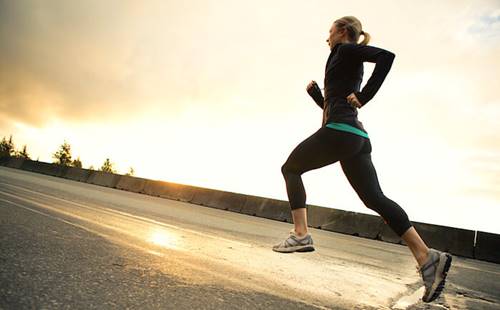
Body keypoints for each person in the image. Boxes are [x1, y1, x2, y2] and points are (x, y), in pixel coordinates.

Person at [272, 16, 452, 303]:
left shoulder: (344, 50)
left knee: (291, 168)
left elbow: (386, 57)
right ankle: (427, 257)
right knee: (375, 198)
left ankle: (301, 234)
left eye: (329, 32)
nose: (326, 38)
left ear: (342, 31)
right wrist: (319, 97)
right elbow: (337, 104)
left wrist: (365, 95)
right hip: (356, 137)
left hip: (342, 132)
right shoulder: (342, 60)